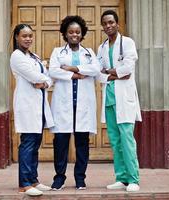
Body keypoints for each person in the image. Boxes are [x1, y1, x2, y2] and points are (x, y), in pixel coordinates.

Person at [48, 15, 100, 190]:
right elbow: (53, 71)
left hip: (83, 106)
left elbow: (95, 69)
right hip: (64, 105)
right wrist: (76, 75)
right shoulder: (57, 52)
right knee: (61, 143)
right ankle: (59, 178)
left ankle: (80, 178)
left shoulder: (89, 52)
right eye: (70, 32)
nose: (74, 35)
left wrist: (71, 68)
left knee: (82, 144)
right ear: (65, 33)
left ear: (82, 33)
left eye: (77, 32)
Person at [97, 10, 142, 192]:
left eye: (111, 22)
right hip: (109, 99)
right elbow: (98, 73)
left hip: (124, 99)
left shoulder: (127, 42)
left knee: (127, 140)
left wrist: (110, 72)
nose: (108, 26)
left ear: (117, 23)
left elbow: (128, 69)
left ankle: (133, 179)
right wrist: (113, 74)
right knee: (115, 141)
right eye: (105, 23)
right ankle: (121, 178)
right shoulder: (101, 48)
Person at [10, 24, 54, 196]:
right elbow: (35, 77)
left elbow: (47, 78)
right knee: (28, 143)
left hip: (39, 105)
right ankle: (25, 183)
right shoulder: (17, 56)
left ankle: (33, 179)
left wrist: (44, 82)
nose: (28, 39)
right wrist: (44, 80)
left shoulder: (33, 56)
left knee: (35, 143)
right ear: (16, 37)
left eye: (30, 36)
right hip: (27, 105)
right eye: (24, 36)